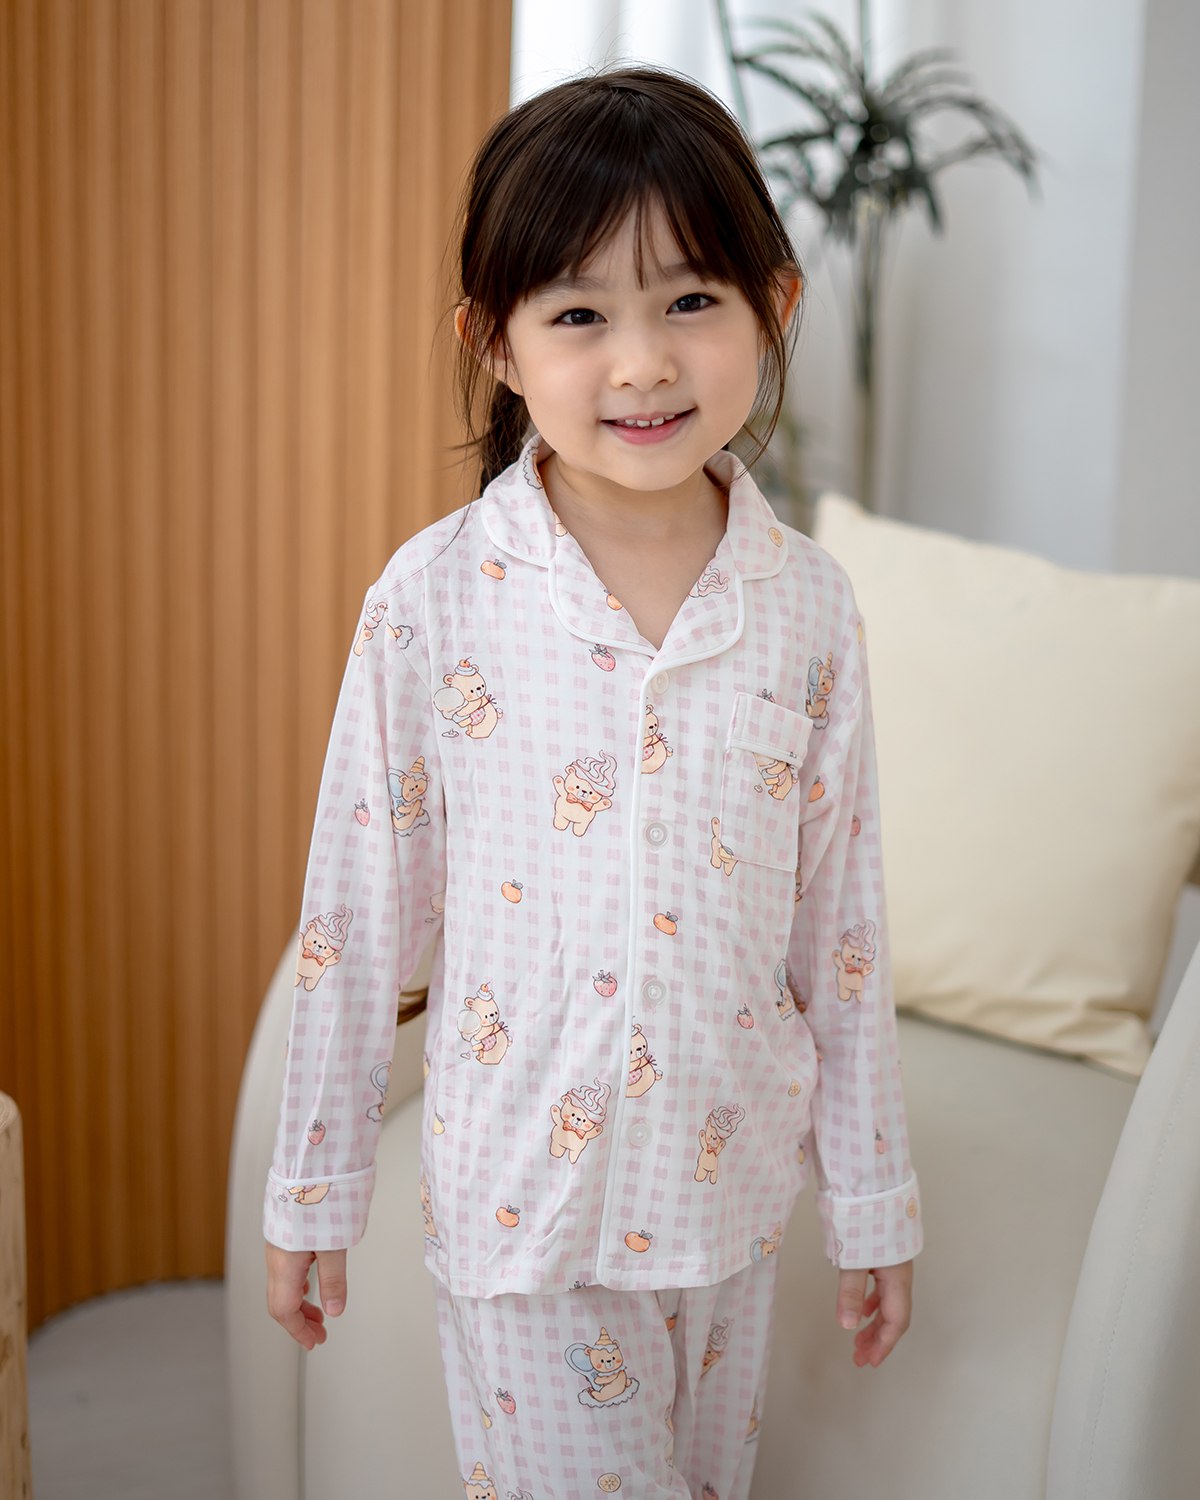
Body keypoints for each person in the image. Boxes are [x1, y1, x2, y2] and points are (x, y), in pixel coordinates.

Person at [263, 61, 923, 1499]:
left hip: (729, 1206)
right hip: (528, 1215)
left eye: (691, 300)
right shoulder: (433, 603)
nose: (642, 363)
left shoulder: (807, 609)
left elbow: (842, 927)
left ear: (775, 306)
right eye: (580, 315)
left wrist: (870, 1199)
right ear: (495, 346)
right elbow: (358, 905)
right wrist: (314, 1183)